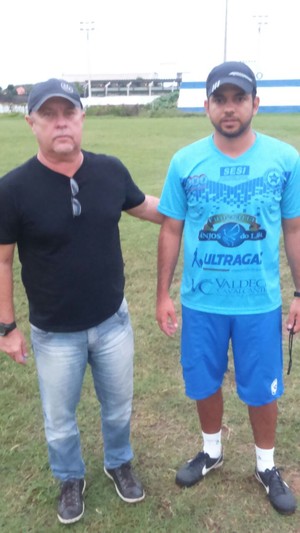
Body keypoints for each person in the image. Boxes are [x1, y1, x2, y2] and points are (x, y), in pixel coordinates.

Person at [0, 78, 162, 525]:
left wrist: (196, 210)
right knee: (58, 417)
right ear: (31, 122)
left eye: (68, 113)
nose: (60, 123)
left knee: (118, 405)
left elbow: (147, 207)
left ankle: (118, 462)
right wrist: (7, 327)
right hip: (54, 333)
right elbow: (2, 260)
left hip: (113, 322)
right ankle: (70, 477)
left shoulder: (109, 170)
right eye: (48, 116)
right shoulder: (12, 188)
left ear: (82, 118)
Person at [156, 61, 300, 515]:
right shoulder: (185, 161)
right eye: (220, 99)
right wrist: (162, 293)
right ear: (207, 107)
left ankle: (265, 464)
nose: (230, 108)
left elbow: (294, 230)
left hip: (259, 302)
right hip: (202, 301)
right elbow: (171, 230)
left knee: (262, 388)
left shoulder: (285, 159)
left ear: (256, 103)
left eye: (239, 98)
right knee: (203, 380)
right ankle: (212, 452)